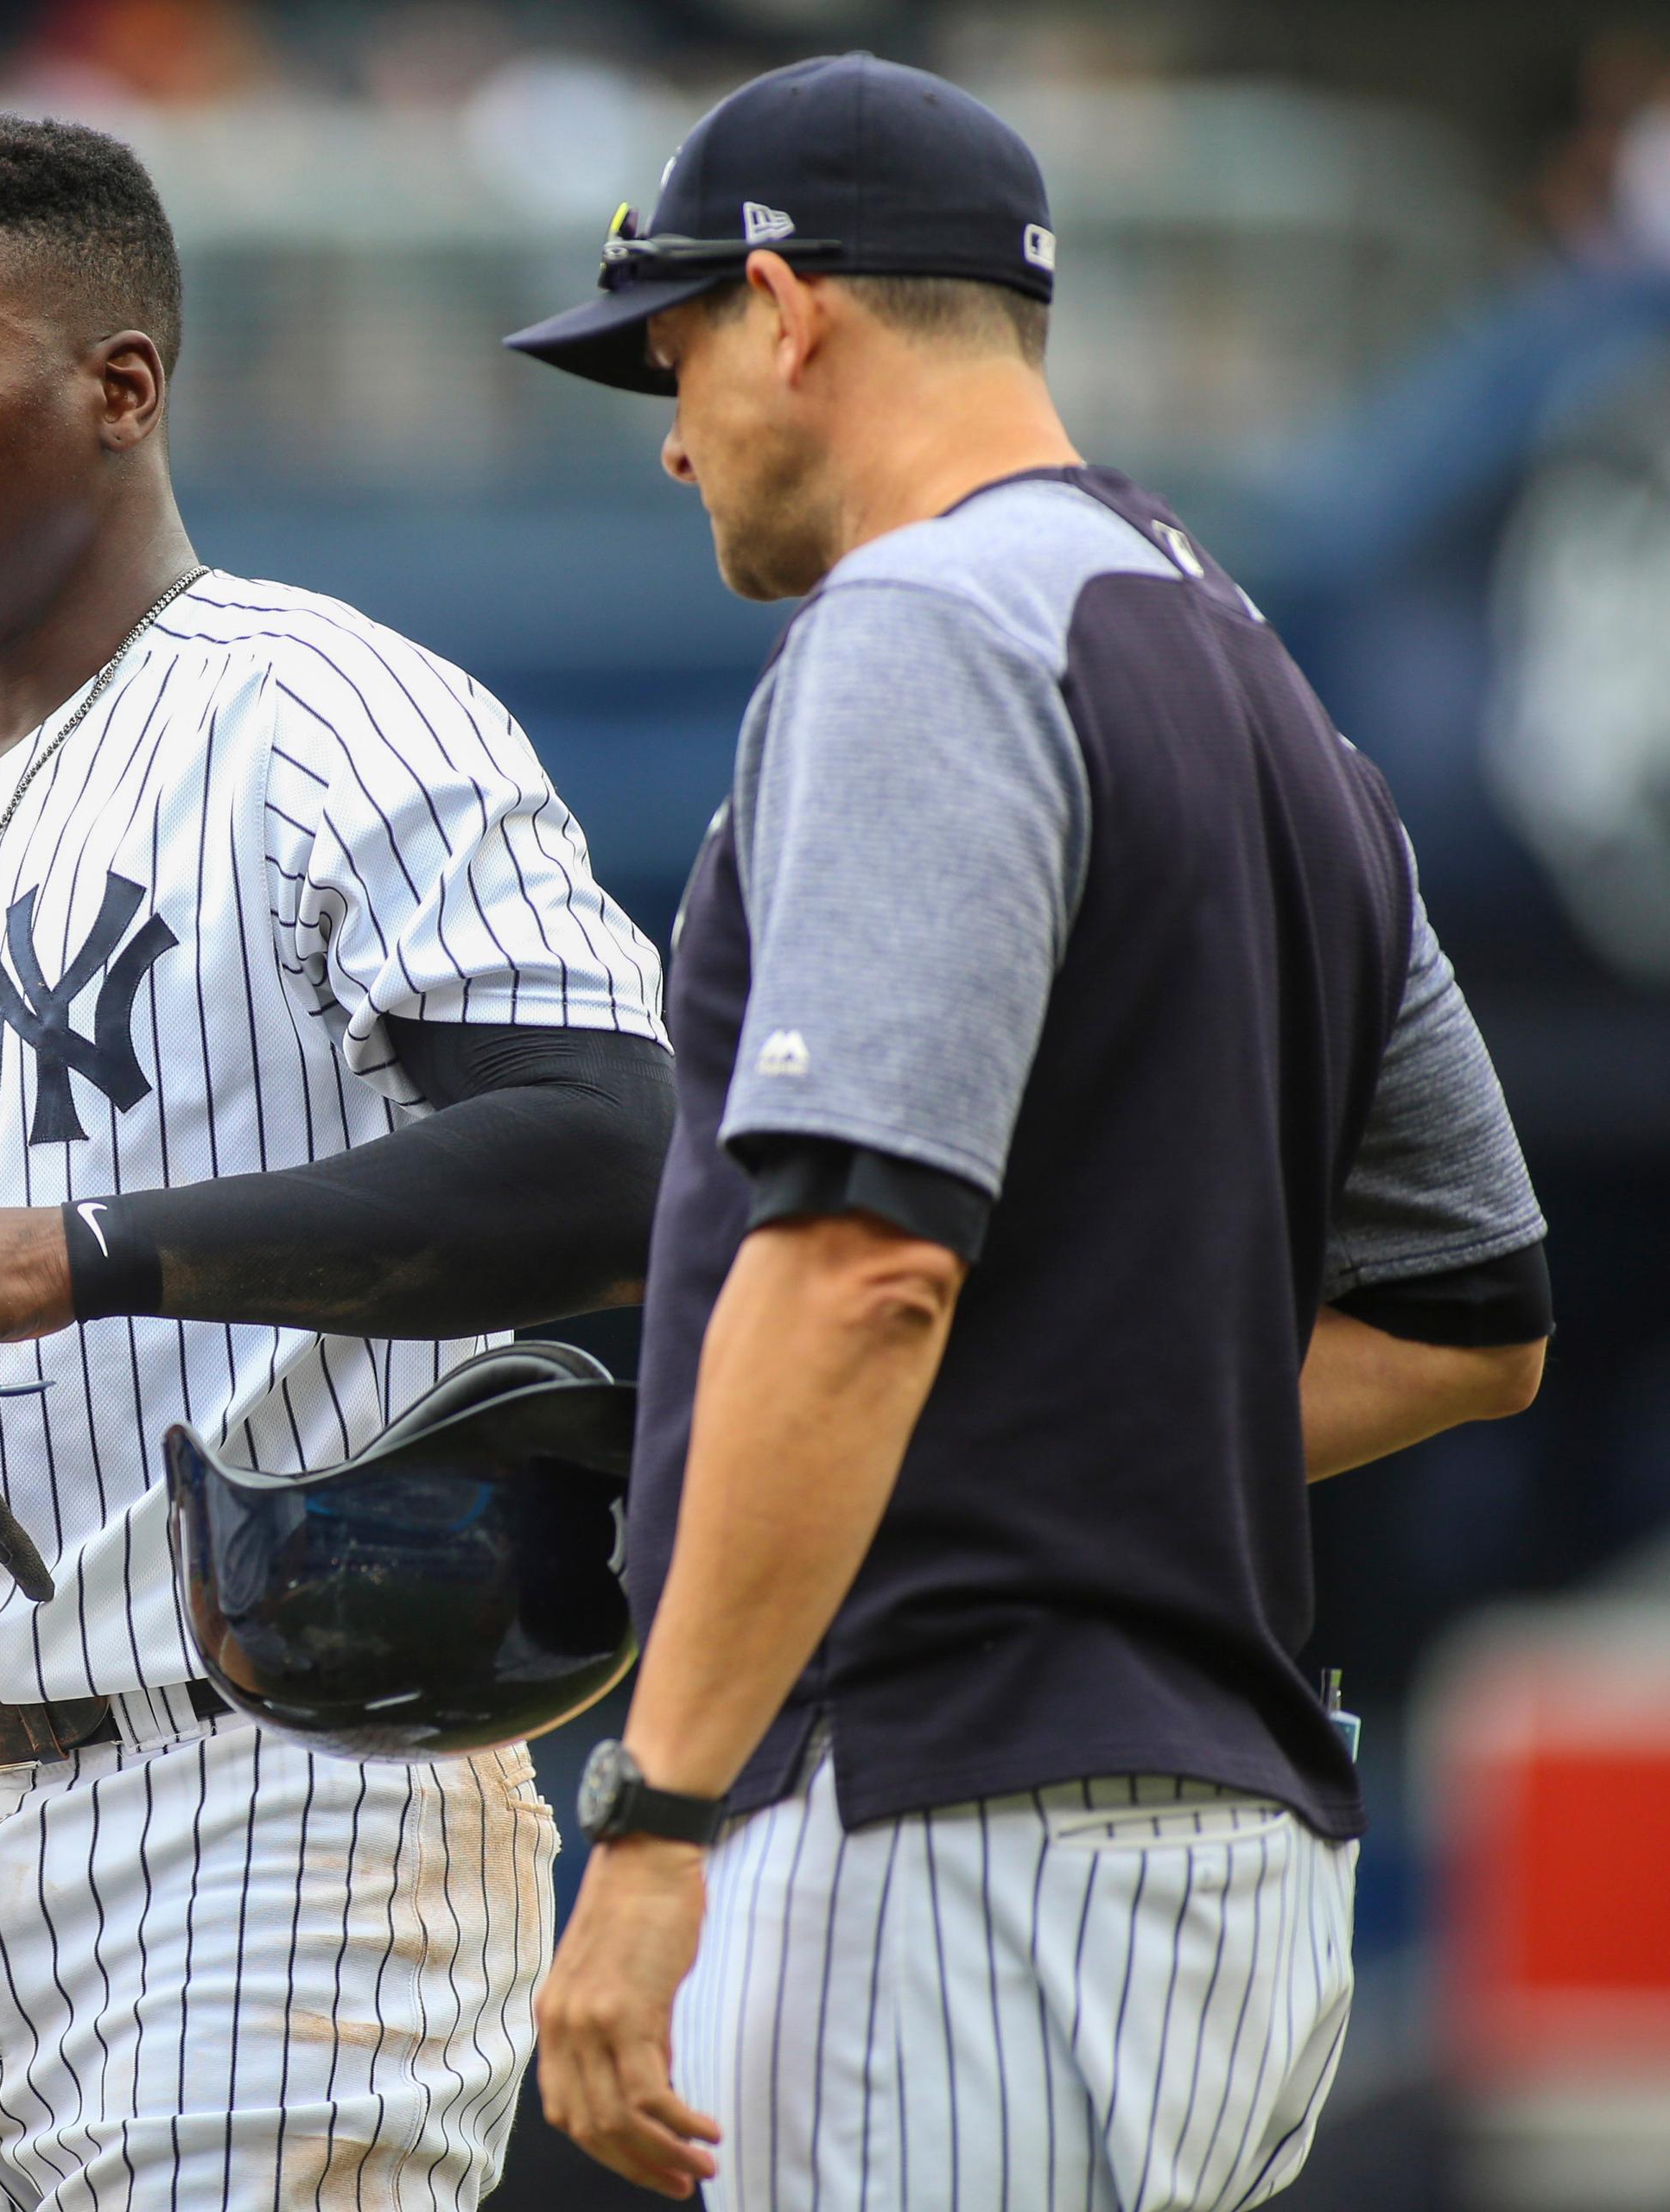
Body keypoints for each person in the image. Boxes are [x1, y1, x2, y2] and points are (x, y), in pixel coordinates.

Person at [0, 118, 676, 2209]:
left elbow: (617, 1155)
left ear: (122, 385)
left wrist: (79, 1251)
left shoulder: (334, 715)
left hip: (274, 1801)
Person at [504, 56, 1553, 2209]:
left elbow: (865, 1263)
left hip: (951, 1836)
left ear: (791, 312)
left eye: (677, 352)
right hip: (1229, 1870)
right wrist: (1063, 1447)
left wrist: (658, 1809)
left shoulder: (919, 624)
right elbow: (1472, 1309)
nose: (675, 427)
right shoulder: (1256, 674)